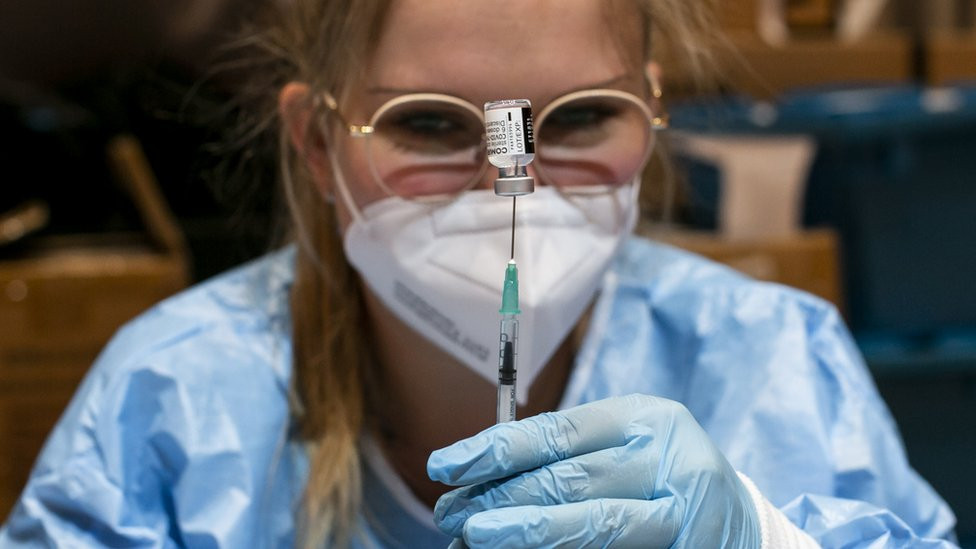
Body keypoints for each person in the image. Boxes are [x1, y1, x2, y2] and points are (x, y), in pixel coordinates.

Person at [0, 0, 959, 547]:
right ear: (317, 142)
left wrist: (756, 536)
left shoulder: (770, 359)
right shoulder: (171, 398)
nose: (518, 186)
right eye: (427, 122)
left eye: (582, 118)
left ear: (652, 113)